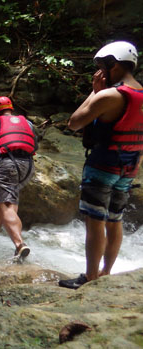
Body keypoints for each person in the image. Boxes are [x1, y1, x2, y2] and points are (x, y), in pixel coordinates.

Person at [60, 41, 142, 289]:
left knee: (95, 220)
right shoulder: (140, 94)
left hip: (103, 164)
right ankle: (106, 271)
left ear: (112, 65)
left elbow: (74, 122)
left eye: (101, 67)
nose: (100, 72)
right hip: (130, 165)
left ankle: (90, 276)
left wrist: (94, 92)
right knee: (114, 219)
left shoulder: (110, 95)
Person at [0, 96, 37, 259]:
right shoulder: (28, 123)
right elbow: (35, 145)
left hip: (8, 163)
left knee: (7, 204)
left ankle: (19, 244)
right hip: (28, 165)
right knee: (7, 199)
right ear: (11, 108)